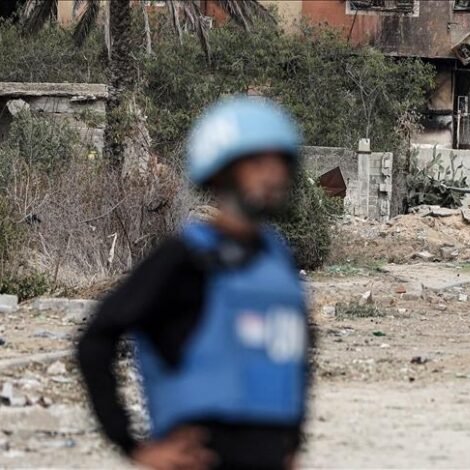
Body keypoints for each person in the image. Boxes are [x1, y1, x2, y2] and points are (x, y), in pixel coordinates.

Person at [78, 97, 311, 470]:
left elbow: (294, 355)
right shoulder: (184, 259)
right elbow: (95, 341)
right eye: (255, 162)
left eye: (279, 161)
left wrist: (292, 443)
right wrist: (132, 445)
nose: (272, 174)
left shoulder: (279, 261)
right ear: (220, 172)